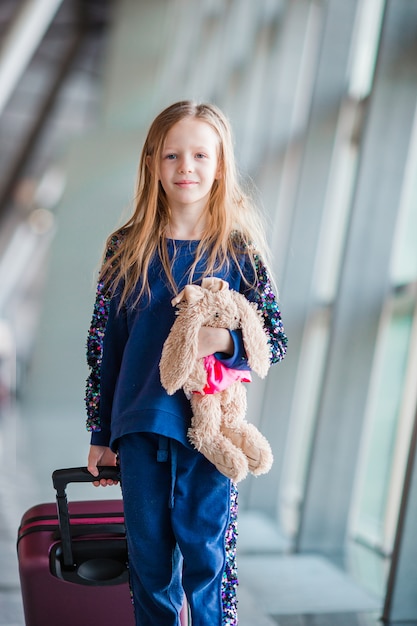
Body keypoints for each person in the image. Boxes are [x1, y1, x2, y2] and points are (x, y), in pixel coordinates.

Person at [85, 100, 287, 626]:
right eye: (172, 155)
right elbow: (103, 347)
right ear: (153, 161)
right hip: (140, 430)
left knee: (209, 563)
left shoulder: (239, 251)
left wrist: (223, 341)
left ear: (220, 164)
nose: (186, 168)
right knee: (149, 569)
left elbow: (274, 339)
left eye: (200, 154)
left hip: (210, 435)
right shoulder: (125, 248)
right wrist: (99, 434)